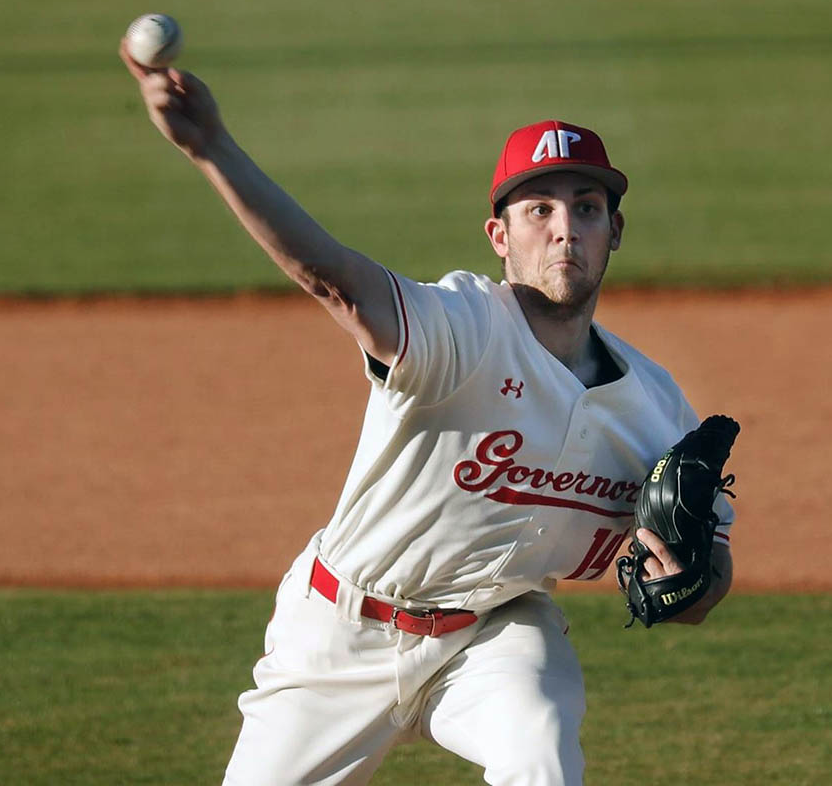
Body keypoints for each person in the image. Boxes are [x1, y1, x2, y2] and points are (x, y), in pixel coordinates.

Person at [120, 40, 736, 786]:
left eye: (587, 207)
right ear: (499, 237)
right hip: (339, 633)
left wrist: (696, 580)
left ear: (615, 231)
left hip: (495, 636)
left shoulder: (657, 407)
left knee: (539, 752)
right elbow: (335, 280)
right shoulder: (462, 328)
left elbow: (706, 579)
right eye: (539, 208)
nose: (565, 227)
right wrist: (213, 148)